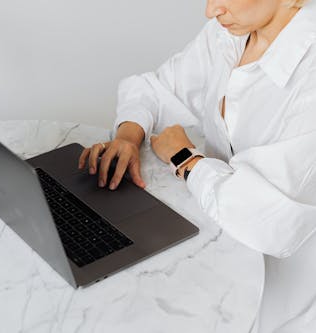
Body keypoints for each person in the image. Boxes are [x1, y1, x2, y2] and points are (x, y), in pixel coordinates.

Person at [78, 0, 316, 332]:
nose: (210, 10)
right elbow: (158, 88)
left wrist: (186, 159)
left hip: (279, 298)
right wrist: (128, 137)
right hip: (217, 249)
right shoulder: (231, 33)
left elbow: (270, 217)